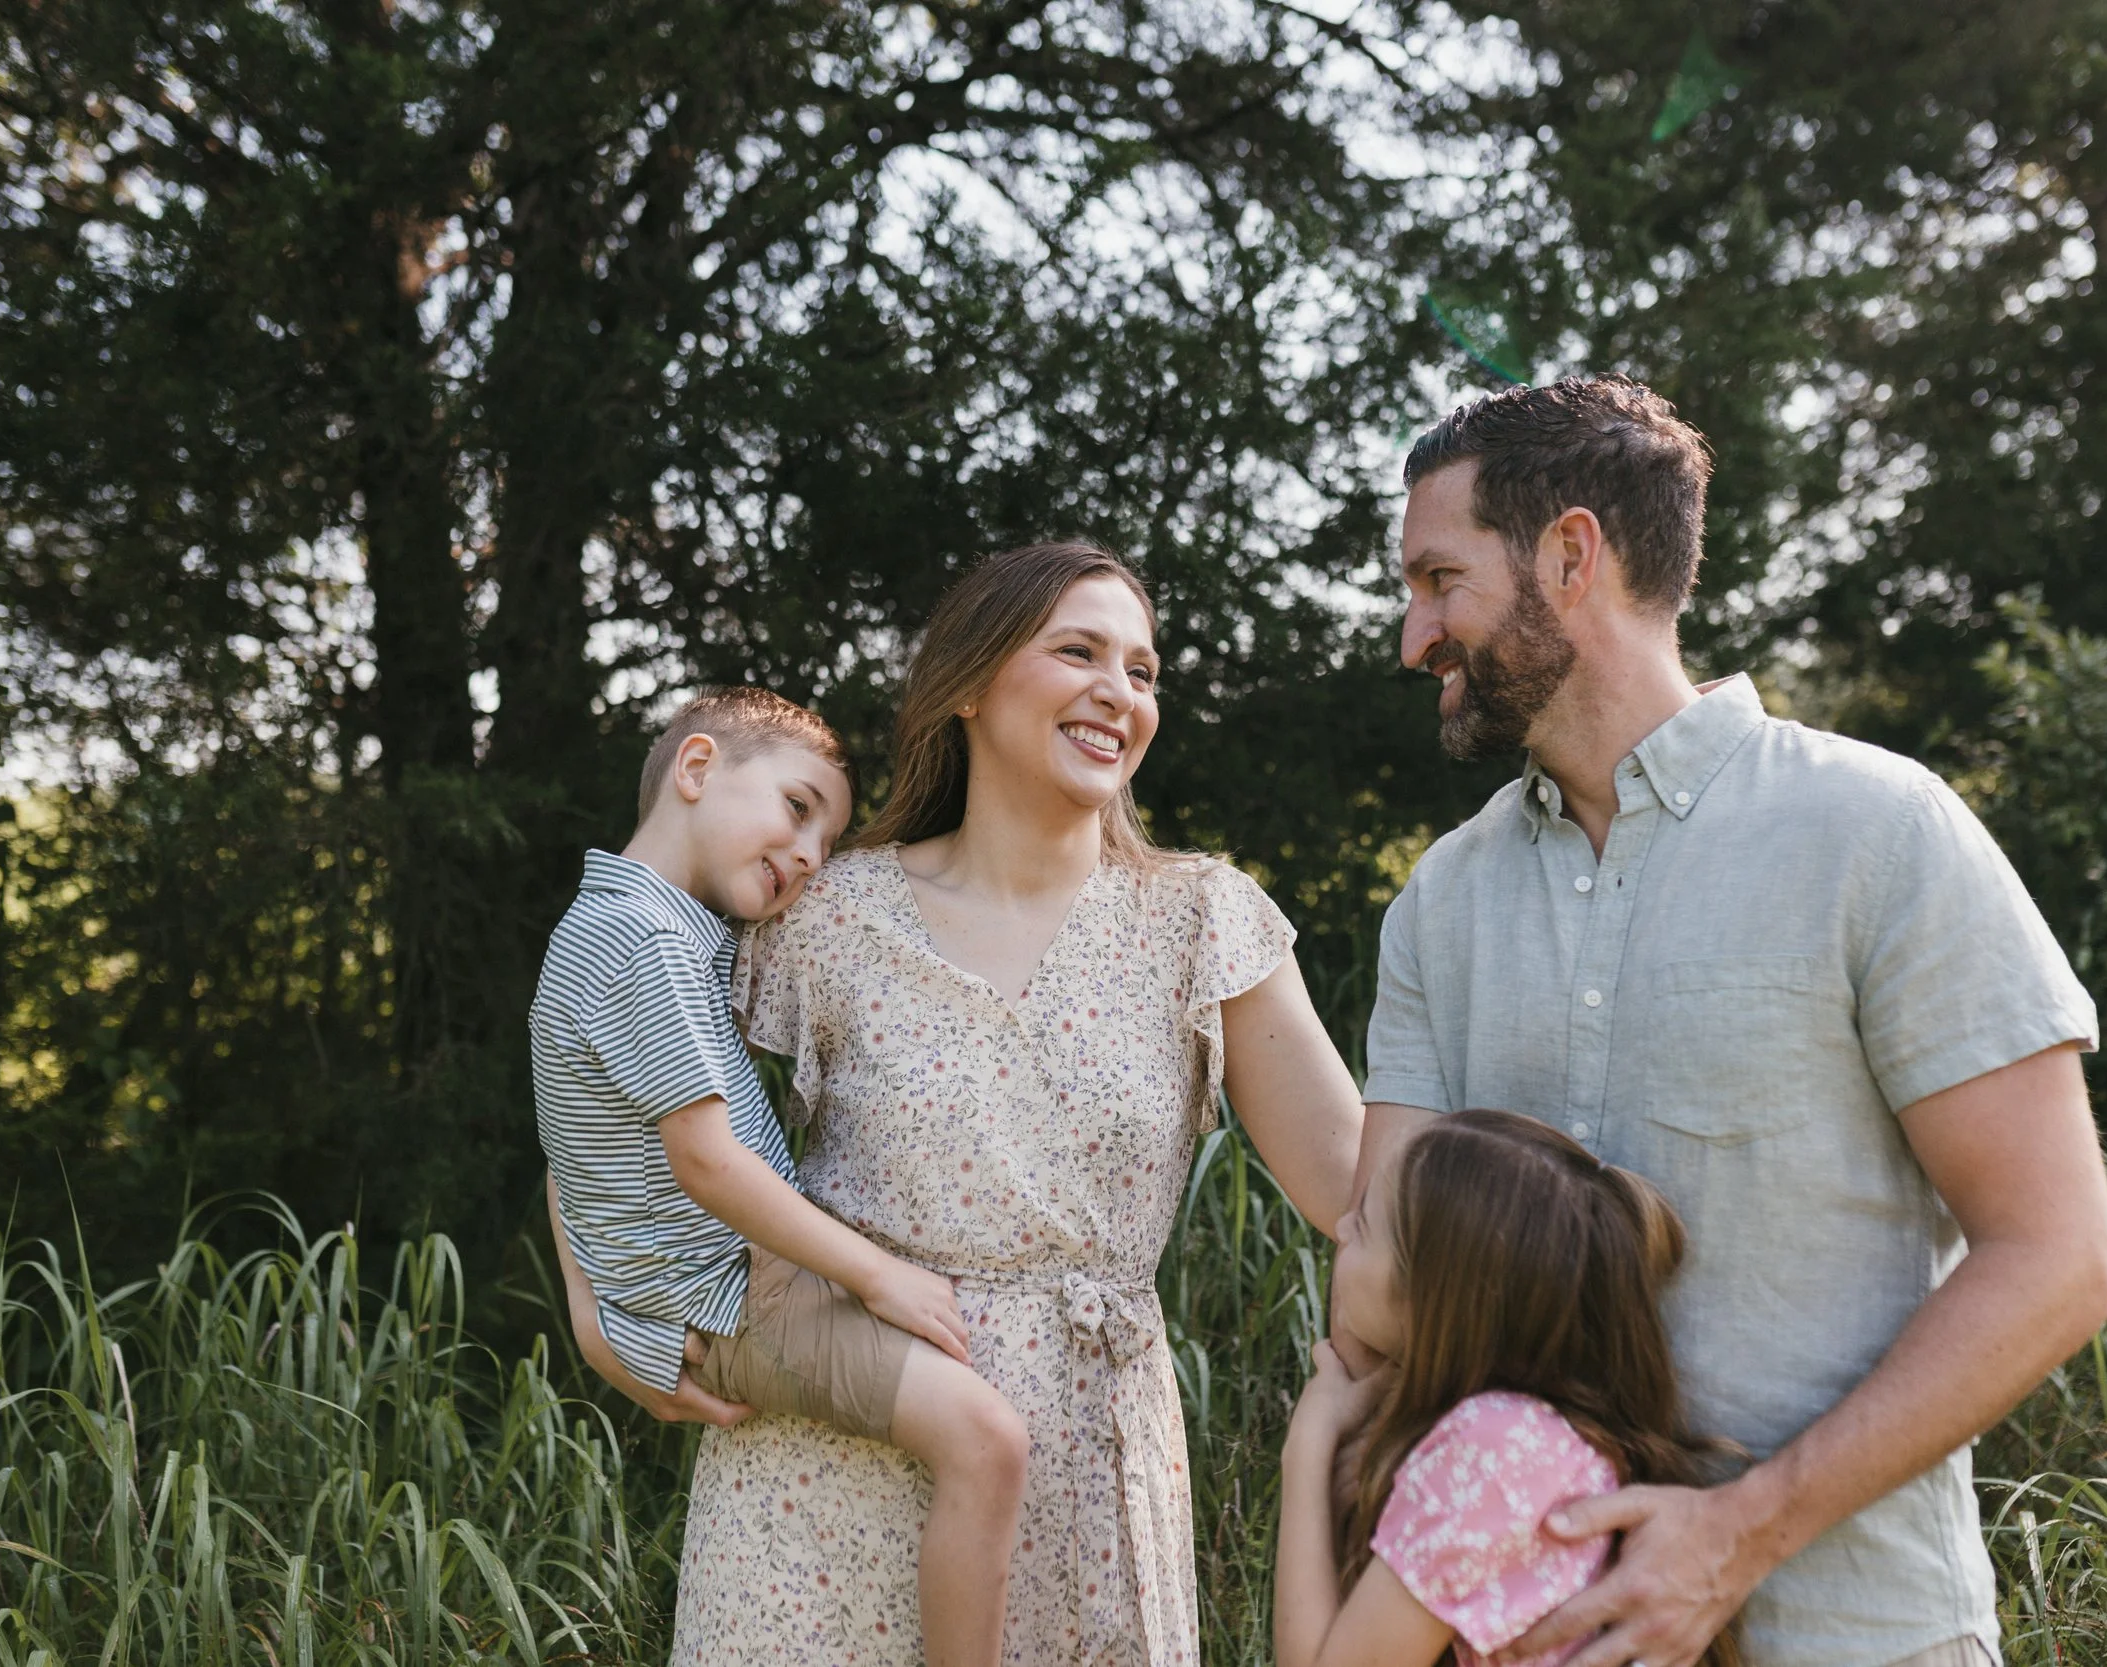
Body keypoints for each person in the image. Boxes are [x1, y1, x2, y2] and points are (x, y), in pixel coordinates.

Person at [1356, 377, 2107, 1667]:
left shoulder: (1879, 830)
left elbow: (2057, 1256)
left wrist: (1741, 1529)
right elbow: (1385, 1297)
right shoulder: (1438, 903)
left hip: (1861, 1632)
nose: (1411, 633)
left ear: (1569, 554)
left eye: (1440, 579)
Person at [563, 541, 1364, 1665]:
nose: (1118, 691)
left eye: (1142, 671)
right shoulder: (825, 915)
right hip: (819, 1479)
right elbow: (603, 1078)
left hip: (1085, 1470)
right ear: (972, 684)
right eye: (1078, 650)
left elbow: (1362, 1196)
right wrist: (597, 1306)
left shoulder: (1200, 920)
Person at [530, 684, 1030, 1667]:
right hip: (735, 1295)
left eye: (825, 840)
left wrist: (595, 1310)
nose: (807, 853)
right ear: (697, 767)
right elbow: (707, 1162)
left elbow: (567, 1143)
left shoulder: (605, 922)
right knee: (986, 1437)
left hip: (703, 1288)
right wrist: (876, 1273)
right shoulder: (649, 941)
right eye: (798, 807)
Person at [1275, 1110, 1737, 1667]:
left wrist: (1308, 1442)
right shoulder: (1534, 1438)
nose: (1343, 1227)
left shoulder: (1495, 1448)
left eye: (1366, 1228)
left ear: (1435, 1302)